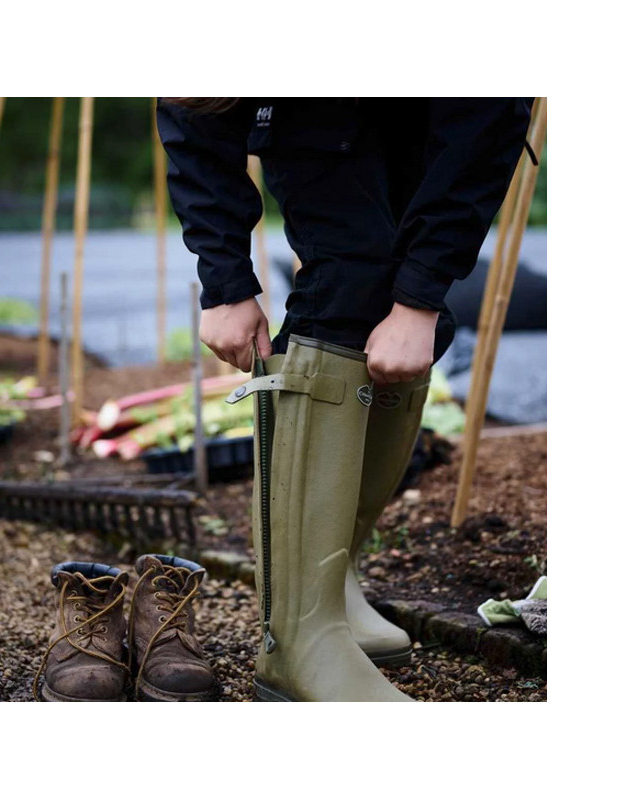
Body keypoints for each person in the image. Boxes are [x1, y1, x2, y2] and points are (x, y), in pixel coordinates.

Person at [157, 97, 533, 702]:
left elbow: (487, 128)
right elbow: (191, 110)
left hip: (433, 112)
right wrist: (224, 280)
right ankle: (301, 640)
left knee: (408, 311)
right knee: (347, 282)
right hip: (314, 112)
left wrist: (419, 298)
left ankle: (331, 589)